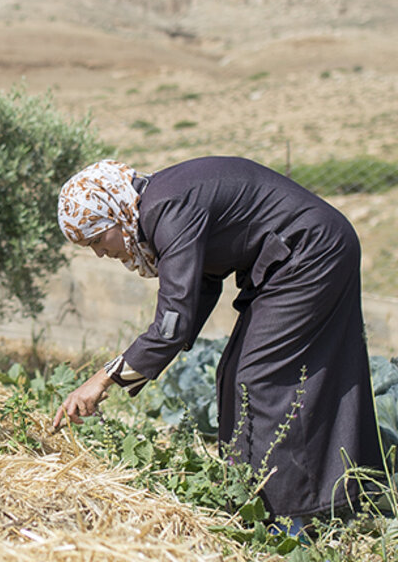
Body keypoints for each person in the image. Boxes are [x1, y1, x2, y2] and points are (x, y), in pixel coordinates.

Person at [52, 156, 382, 525]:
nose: (101, 253)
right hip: (301, 255)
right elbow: (201, 288)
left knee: (258, 380)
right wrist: (161, 347)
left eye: (98, 239)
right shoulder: (163, 204)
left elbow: (173, 322)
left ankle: (287, 518)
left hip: (310, 254)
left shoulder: (165, 208)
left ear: (115, 212)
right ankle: (264, 498)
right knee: (234, 375)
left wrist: (102, 381)